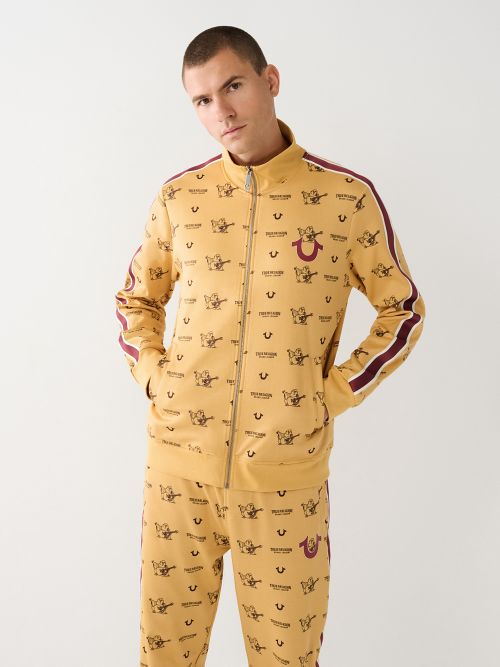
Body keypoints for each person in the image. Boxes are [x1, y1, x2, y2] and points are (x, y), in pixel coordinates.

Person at [114, 25, 425, 667]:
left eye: (233, 87)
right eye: (202, 100)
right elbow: (136, 301)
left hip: (285, 479)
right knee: (164, 658)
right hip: (178, 474)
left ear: (270, 80)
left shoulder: (344, 199)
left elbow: (403, 309)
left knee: (287, 659)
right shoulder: (181, 198)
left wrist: (331, 394)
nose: (221, 112)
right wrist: (156, 379)